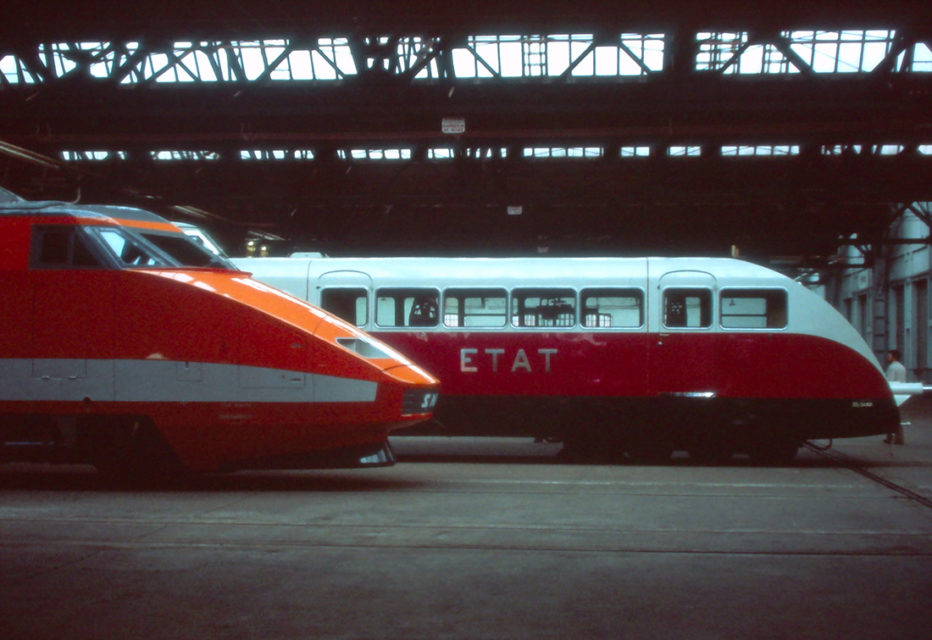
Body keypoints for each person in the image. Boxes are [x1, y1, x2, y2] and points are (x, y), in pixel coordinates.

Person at [884, 350, 906, 445]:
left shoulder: (892, 367)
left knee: (890, 416)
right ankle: (896, 438)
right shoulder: (902, 367)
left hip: (892, 395)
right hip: (900, 393)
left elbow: (889, 381)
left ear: (894, 357)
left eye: (889, 356)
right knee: (896, 416)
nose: (887, 357)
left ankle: (893, 438)